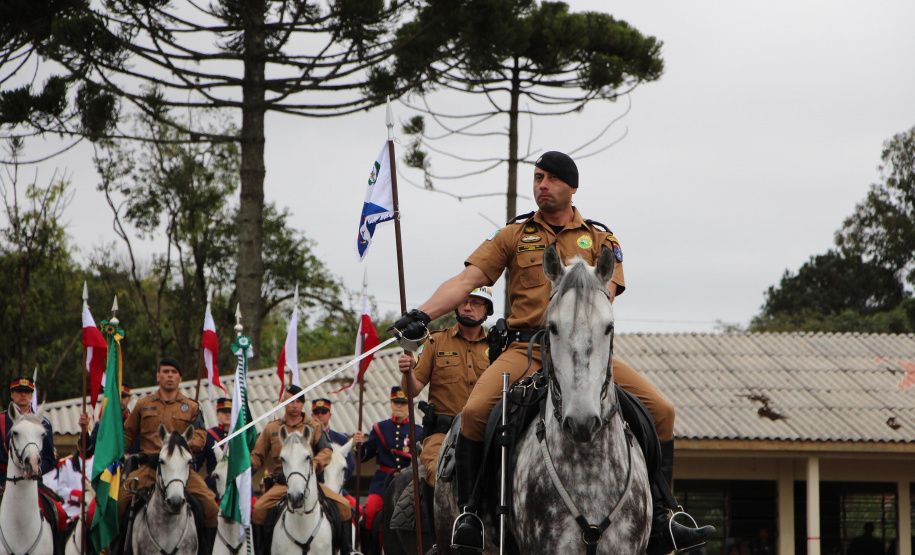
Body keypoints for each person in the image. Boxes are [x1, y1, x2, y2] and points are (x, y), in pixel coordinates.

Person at [388, 151, 715, 554]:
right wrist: (422, 314)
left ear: (572, 188)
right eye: (538, 177)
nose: (542, 185)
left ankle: (664, 517)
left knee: (662, 411)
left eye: (552, 178)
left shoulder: (601, 240)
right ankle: (470, 515)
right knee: (473, 413)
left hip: (585, 350)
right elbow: (466, 280)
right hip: (527, 350)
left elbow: (606, 295)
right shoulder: (513, 235)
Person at [117, 357, 219, 553]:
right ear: (158, 376)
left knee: (211, 509)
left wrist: (182, 447)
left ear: (180, 377)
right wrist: (113, 447)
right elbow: (127, 434)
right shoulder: (143, 404)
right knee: (119, 503)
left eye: (174, 372)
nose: (169, 375)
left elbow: (200, 436)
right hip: (149, 469)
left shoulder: (192, 407)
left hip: (181, 470)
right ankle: (118, 549)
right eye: (165, 372)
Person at [399, 287, 492, 489]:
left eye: (476, 303)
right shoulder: (435, 341)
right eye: (464, 302)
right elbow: (411, 391)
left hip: (486, 435)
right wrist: (407, 371)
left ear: (486, 309)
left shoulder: (497, 348)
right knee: (439, 474)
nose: (468, 307)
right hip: (443, 437)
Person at [249, 384, 358, 555]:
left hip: (311, 483)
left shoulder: (315, 426)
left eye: (298, 401)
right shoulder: (272, 428)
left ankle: (347, 551)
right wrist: (243, 462)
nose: (294, 405)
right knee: (259, 510)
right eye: (291, 401)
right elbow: (257, 456)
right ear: (283, 402)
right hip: (282, 484)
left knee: (344, 506)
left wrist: (313, 465)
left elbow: (327, 451)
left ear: (302, 404)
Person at [353, 386, 424, 546]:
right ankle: (367, 549)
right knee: (370, 512)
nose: (399, 406)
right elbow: (364, 455)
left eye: (403, 403)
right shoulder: (380, 428)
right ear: (391, 404)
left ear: (409, 405)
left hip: (409, 483)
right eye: (395, 402)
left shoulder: (418, 431)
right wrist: (358, 446)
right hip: (382, 482)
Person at [1, 376, 56, 486]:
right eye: (19, 391)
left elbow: (49, 459)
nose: (23, 394)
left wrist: (36, 470)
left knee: (54, 499)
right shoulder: (1, 420)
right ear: (12, 394)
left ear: (31, 395)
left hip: (33, 482)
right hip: (3, 481)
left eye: (27, 392)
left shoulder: (44, 424)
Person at [78, 381, 140, 457]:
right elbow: (88, 451)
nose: (120, 399)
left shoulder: (136, 424)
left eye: (123, 396)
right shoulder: (103, 424)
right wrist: (84, 431)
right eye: (117, 396)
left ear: (129, 399)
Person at [311, 398, 355, 493]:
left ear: (329, 415)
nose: (320, 415)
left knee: (351, 503)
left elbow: (350, 465)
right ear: (312, 416)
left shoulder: (341, 439)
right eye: (316, 413)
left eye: (323, 412)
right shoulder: (307, 438)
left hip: (335, 486)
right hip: (311, 487)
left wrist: (340, 481)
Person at [196, 397, 232, 494]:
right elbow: (197, 462)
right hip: (213, 486)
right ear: (217, 414)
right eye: (224, 411)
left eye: (230, 412)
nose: (228, 414)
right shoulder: (209, 435)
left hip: (237, 484)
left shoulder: (241, 436)